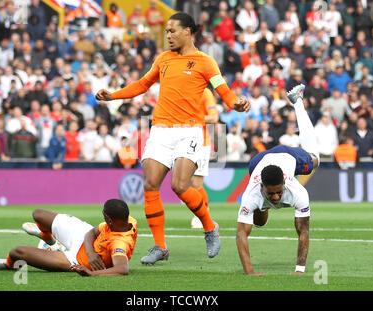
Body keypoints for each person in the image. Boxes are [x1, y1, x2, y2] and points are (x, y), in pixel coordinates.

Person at [96, 12, 250, 265]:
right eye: (167, 32)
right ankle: (160, 246)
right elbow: (142, 84)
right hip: (161, 130)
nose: (168, 35)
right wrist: (113, 96)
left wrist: (237, 104)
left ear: (188, 31)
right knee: (150, 185)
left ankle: (210, 228)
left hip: (189, 131)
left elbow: (223, 90)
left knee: (180, 185)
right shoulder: (163, 59)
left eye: (173, 31)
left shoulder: (205, 61)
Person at [236, 84, 320, 275]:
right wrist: (250, 273)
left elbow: (303, 231)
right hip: (258, 163)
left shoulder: (297, 191)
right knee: (258, 223)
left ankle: (297, 101)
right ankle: (262, 206)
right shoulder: (250, 192)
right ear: (262, 186)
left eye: (279, 192)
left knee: (316, 157)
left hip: (289, 156)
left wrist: (300, 270)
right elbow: (241, 233)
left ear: (285, 183)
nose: (276, 197)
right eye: (271, 193)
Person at [0, 199, 138, 276]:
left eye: (104, 215)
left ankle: (9, 265)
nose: (103, 218)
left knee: (17, 252)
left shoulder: (120, 242)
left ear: (109, 219)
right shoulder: (127, 221)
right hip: (82, 235)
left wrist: (91, 273)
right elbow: (91, 233)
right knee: (38, 214)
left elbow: (122, 269)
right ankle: (49, 240)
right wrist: (91, 253)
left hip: (75, 259)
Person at [190, 88, 219, 229]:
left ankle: (203, 214)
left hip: (201, 142)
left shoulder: (205, 92)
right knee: (184, 182)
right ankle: (201, 212)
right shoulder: (181, 90)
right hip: (184, 141)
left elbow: (214, 118)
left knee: (196, 182)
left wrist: (192, 119)